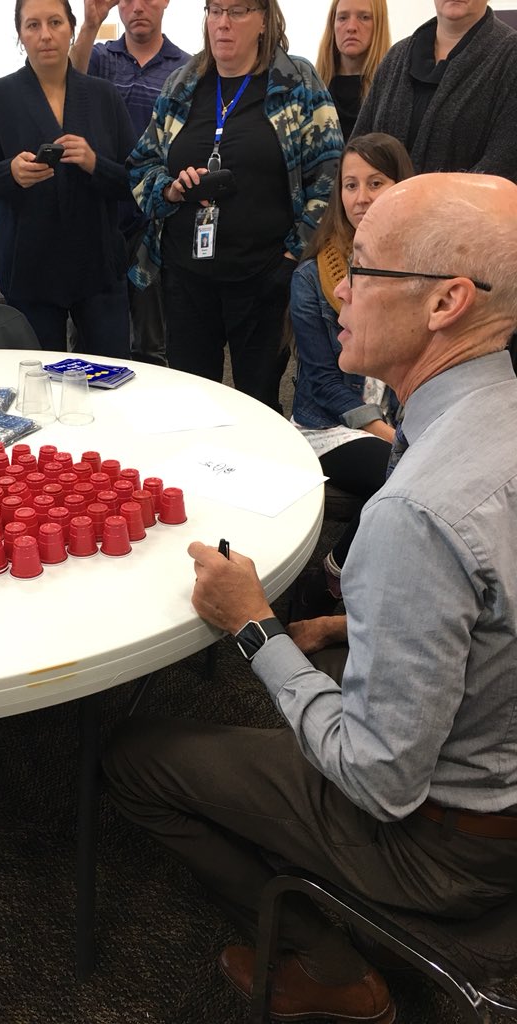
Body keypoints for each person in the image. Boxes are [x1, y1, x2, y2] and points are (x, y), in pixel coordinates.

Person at [104, 172, 517, 1023]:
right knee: (318, 648)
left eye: (362, 269)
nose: (337, 288)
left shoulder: (417, 513)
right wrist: (371, 625)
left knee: (133, 759)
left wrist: (253, 627)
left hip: (452, 848)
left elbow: (380, 781)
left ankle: (324, 965)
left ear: (447, 303)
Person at [127, 0, 342, 411]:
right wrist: (170, 189)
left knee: (257, 404)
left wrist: (291, 257)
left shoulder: (296, 81)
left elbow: (331, 177)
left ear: (264, 20)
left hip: (263, 278)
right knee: (191, 403)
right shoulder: (183, 83)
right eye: (215, 10)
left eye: (238, 11)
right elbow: (140, 165)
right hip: (186, 278)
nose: (223, 24)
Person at [0, 0, 135, 358]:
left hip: (98, 267)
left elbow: (135, 182)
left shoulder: (103, 97)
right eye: (33, 26)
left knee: (111, 380)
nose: (45, 35)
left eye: (55, 22)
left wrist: (94, 163)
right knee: (37, 387)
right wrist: (9, 172)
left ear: (71, 28)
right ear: (20, 36)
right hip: (30, 270)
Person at [289, 132, 414, 616]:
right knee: (402, 477)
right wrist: (394, 435)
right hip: (329, 427)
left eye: (376, 182)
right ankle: (329, 580)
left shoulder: (419, 270)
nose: (361, 197)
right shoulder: (312, 277)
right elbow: (322, 384)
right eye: (350, 185)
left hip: (399, 416)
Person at [70, 0, 190, 367]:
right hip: (99, 216)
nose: (139, 7)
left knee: (152, 341)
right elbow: (67, 83)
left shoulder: (186, 68)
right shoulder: (102, 57)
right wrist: (89, 25)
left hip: (153, 222)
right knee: (88, 341)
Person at [353, 0, 517, 180]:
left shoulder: (510, 58)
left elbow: (503, 169)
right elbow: (358, 153)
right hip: (381, 207)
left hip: (470, 207)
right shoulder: (395, 58)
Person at [314, 0, 390, 140]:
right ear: (333, 24)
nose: (351, 27)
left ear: (379, 25)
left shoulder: (391, 93)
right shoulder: (311, 92)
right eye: (343, 17)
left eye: (364, 17)